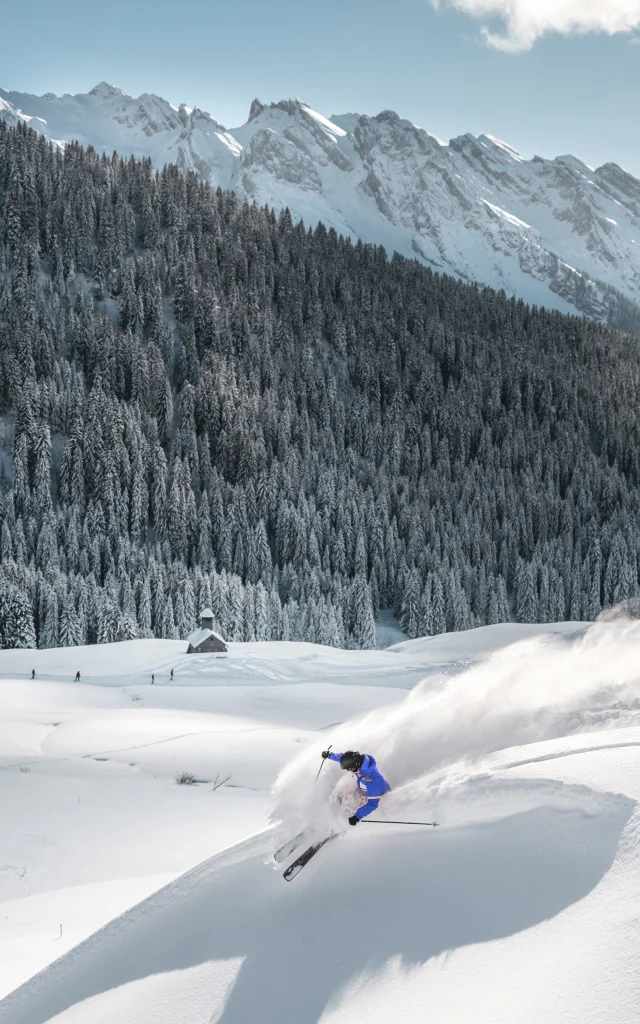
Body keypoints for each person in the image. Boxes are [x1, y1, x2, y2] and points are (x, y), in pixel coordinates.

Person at [321, 749, 390, 824]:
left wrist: (357, 816)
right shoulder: (362, 763)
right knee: (342, 796)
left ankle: (341, 824)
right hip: (364, 789)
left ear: (355, 766)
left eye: (349, 769)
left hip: (375, 797)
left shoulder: (372, 780)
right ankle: (335, 810)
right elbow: (345, 758)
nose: (348, 770)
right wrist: (329, 755)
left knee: (348, 807)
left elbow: (373, 804)